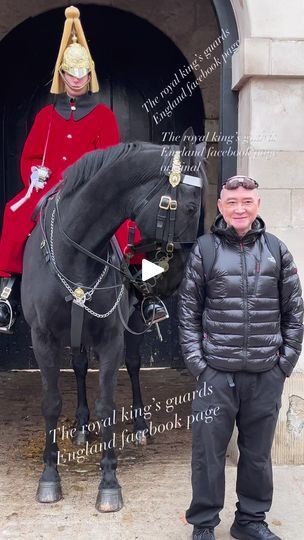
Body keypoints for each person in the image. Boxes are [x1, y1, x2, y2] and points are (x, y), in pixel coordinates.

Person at [0, 6, 166, 333]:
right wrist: (35, 174)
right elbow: (30, 157)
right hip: (50, 190)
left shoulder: (104, 115)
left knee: (132, 227)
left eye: (82, 74)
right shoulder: (46, 117)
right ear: (62, 77)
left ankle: (147, 293)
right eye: (70, 75)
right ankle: (8, 291)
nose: (76, 80)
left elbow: (110, 159)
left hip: (93, 191)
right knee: (13, 213)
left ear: (90, 75)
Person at [178, 175, 303, 540]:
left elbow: (294, 313)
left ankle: (250, 521)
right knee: (208, 454)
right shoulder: (205, 249)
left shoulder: (277, 250)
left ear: (258, 205)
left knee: (258, 455)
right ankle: (204, 524)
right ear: (221, 207)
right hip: (216, 374)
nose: (239, 208)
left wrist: (284, 365)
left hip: (265, 374)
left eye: (247, 201)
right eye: (232, 201)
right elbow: (188, 312)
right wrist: (199, 366)